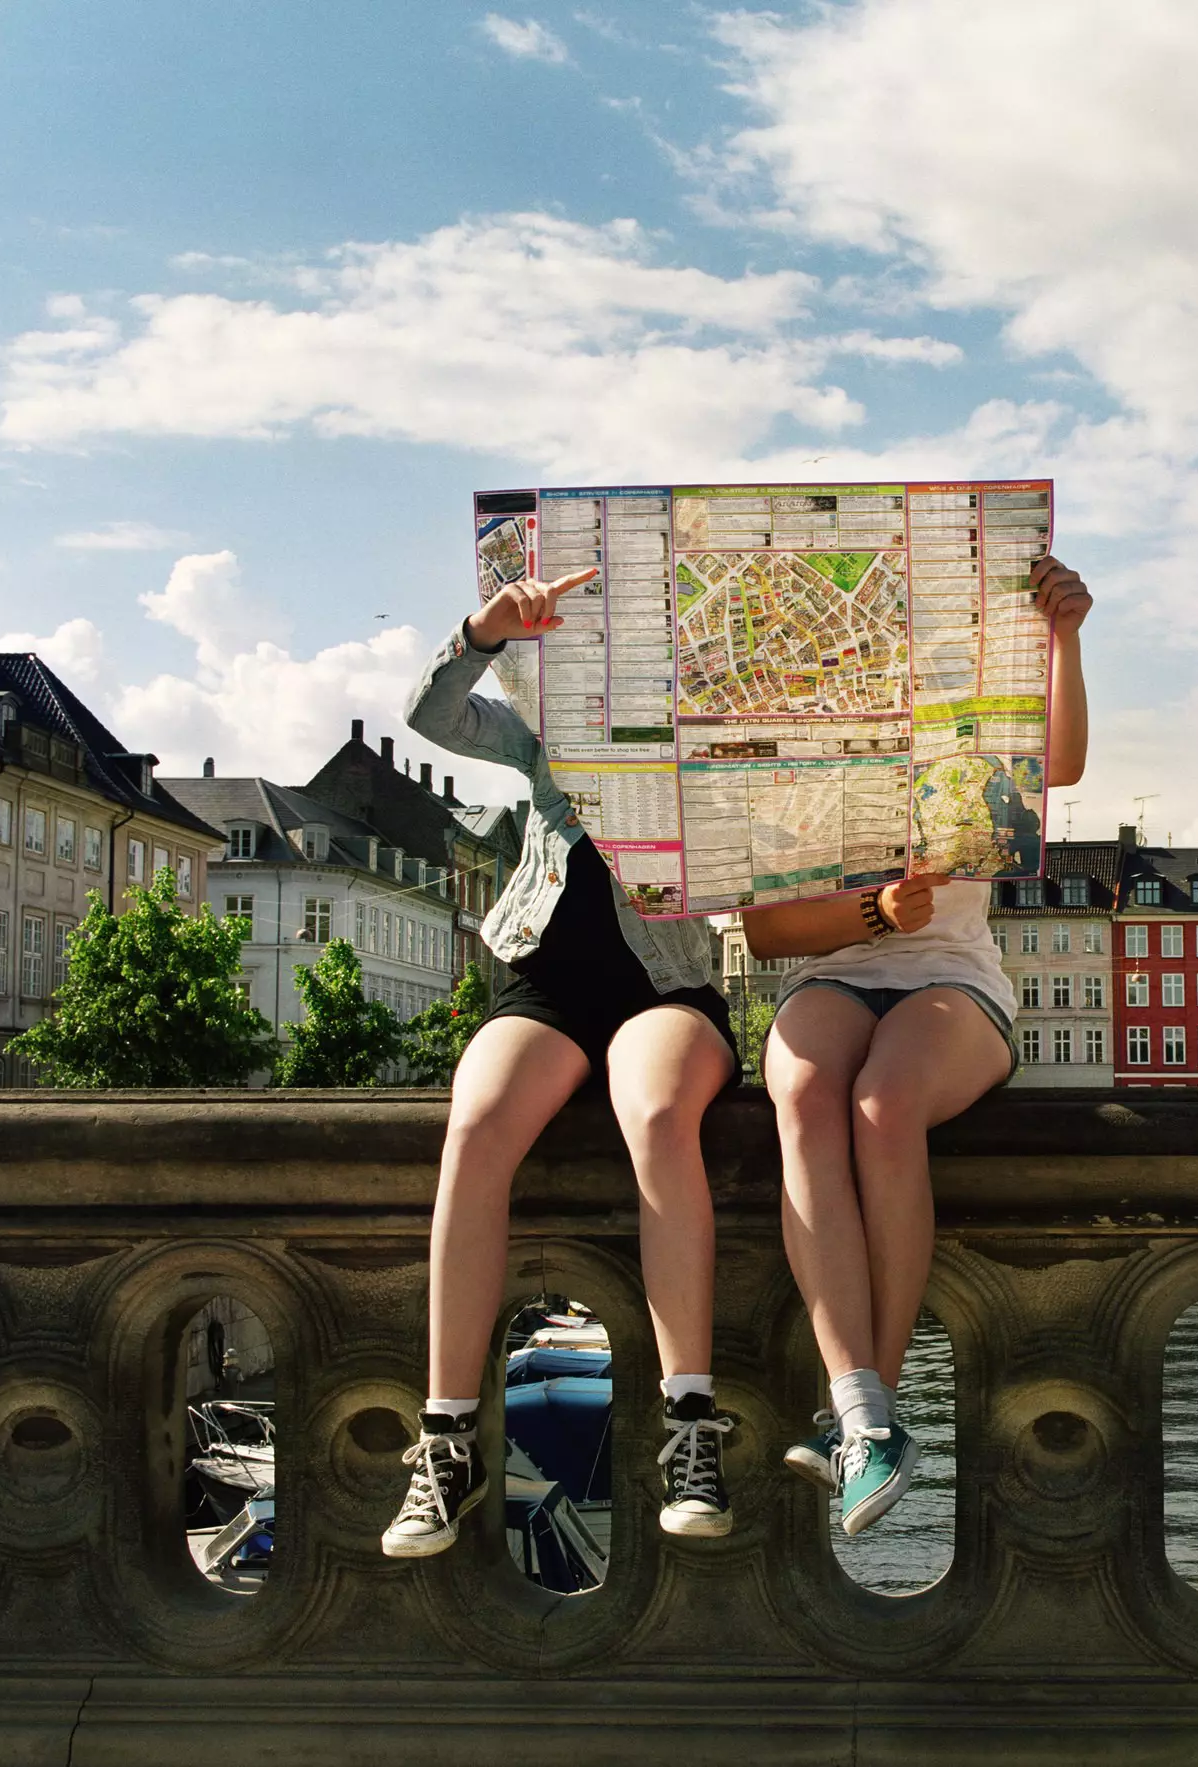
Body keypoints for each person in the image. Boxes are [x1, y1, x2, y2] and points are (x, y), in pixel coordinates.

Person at [381, 568, 741, 1559]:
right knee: (477, 1123)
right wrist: (481, 631)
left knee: (657, 1115)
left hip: (664, 987)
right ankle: (447, 1438)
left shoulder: (712, 745)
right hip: (541, 982)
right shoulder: (545, 736)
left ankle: (690, 1425)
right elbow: (429, 715)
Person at [746, 554, 1094, 1535]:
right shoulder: (790, 759)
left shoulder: (967, 737)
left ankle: (865, 1412)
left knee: (880, 1105)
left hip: (952, 981)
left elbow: (1059, 762)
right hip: (831, 973)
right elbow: (770, 936)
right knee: (807, 1096)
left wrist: (1064, 636)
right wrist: (869, 910)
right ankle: (866, 1420)